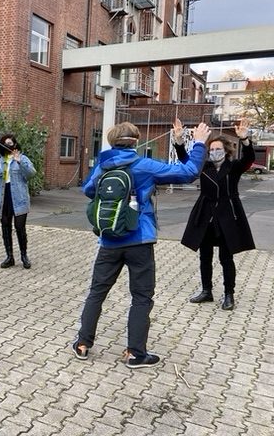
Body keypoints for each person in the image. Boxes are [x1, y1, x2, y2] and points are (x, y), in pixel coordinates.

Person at [73, 120, 211, 369]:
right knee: (141, 297)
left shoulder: (103, 165)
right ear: (135, 142)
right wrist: (198, 143)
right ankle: (136, 353)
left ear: (112, 142)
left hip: (109, 240)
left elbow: (88, 191)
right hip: (139, 239)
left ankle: (83, 343)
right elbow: (189, 172)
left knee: (97, 292)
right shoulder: (144, 165)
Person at [173, 118, 255, 310]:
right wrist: (179, 140)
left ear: (226, 151)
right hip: (206, 215)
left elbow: (249, 159)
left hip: (228, 216)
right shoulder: (204, 167)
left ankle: (229, 294)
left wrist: (244, 139)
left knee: (226, 258)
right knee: (205, 256)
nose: (214, 152)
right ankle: (206, 291)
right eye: (211, 150)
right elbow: (185, 159)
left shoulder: (233, 167)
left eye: (218, 149)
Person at [0, 133, 37, 269]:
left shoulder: (22, 158)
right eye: (7, 143)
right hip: (4, 197)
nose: (9, 146)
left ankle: (24, 256)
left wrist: (20, 161)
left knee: (20, 228)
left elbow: (31, 174)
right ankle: (9, 257)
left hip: (19, 198)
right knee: (5, 227)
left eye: (11, 143)